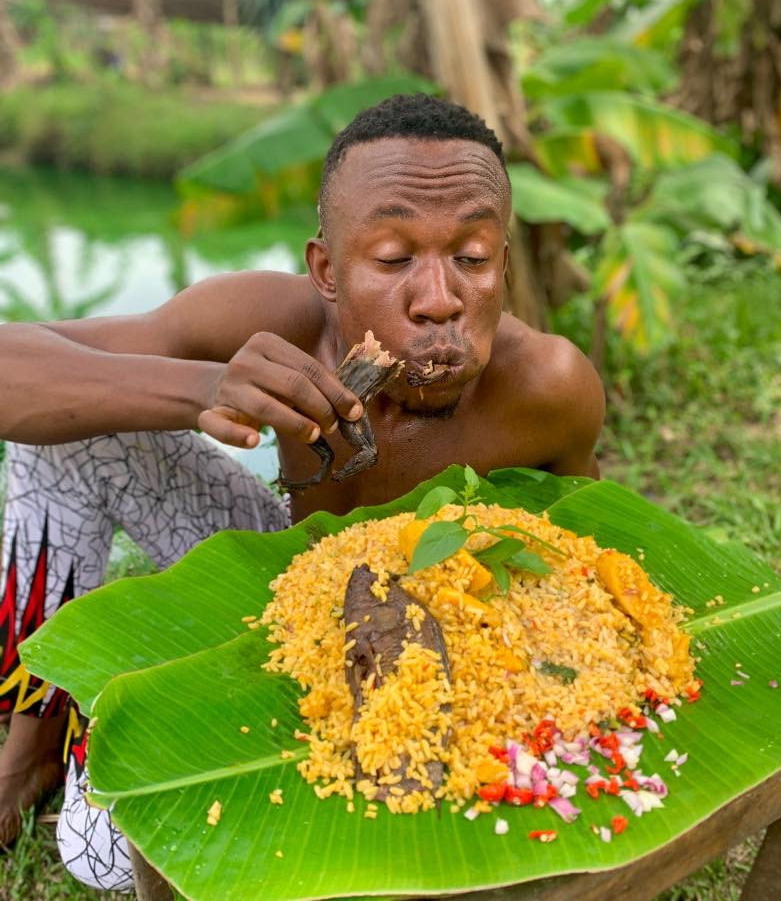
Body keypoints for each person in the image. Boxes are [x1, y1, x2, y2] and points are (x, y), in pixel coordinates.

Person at [0, 93, 604, 888]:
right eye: (392, 260)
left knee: (100, 857)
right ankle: (31, 742)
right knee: (69, 438)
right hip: (273, 576)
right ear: (326, 270)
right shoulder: (272, 322)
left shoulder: (551, 388)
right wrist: (204, 388)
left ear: (503, 262)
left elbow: (580, 570)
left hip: (422, 643)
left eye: (472, 256)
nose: (438, 300)